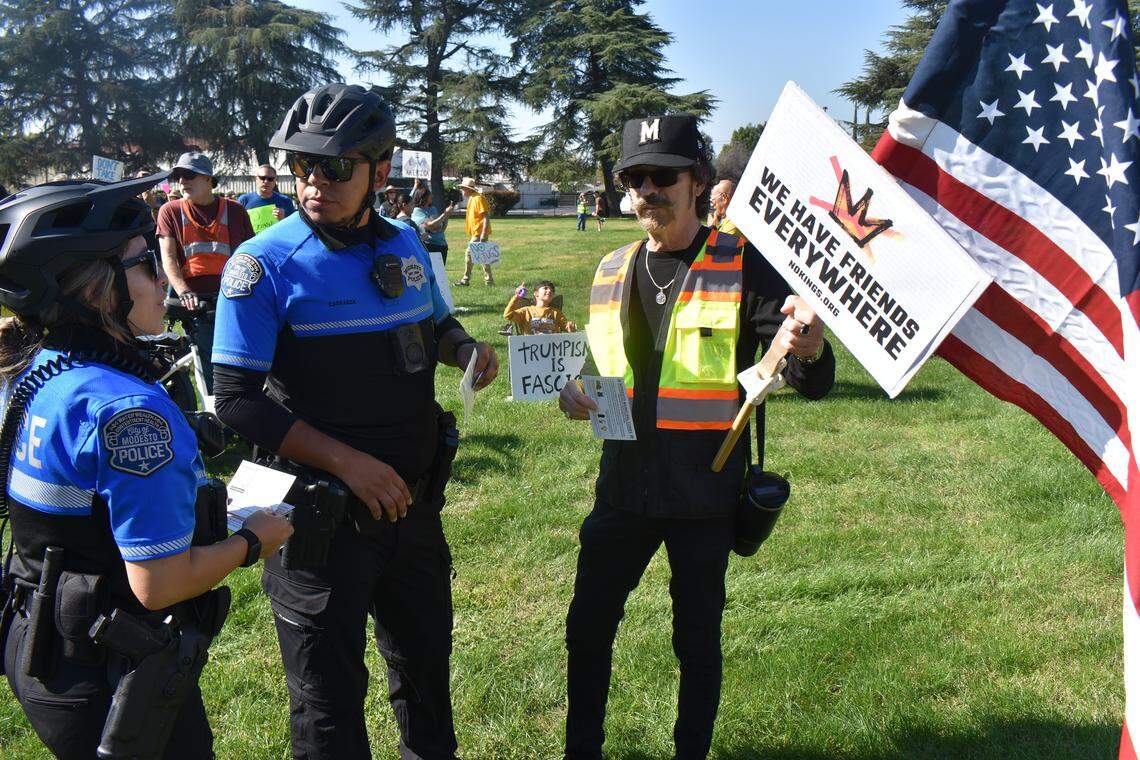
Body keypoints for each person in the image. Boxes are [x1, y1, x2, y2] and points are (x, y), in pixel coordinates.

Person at [211, 82, 500, 760]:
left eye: (334, 166)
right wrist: (350, 464)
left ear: (379, 165)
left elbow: (435, 323)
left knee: (426, 680)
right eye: (301, 166)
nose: (314, 182)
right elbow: (236, 400)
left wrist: (464, 348)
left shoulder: (401, 242)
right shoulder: (261, 266)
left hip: (412, 510)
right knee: (328, 705)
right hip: (320, 522)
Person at [558, 114, 835, 760]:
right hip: (621, 490)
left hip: (704, 496)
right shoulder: (609, 269)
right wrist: (578, 396)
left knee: (697, 642)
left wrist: (812, 346)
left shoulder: (743, 264)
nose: (648, 190)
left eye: (663, 177)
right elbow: (606, 377)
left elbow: (810, 376)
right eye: (636, 178)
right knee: (587, 630)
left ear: (697, 182)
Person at [0, 173, 292, 760]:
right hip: (114, 677)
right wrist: (254, 540)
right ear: (95, 289)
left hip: (40, 646)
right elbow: (159, 584)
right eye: (144, 266)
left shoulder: (33, 372)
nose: (163, 279)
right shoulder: (129, 410)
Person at [156, 151, 254, 394]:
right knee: (209, 360)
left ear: (209, 178)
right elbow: (168, 258)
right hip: (194, 301)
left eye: (188, 175)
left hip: (231, 296)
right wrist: (184, 291)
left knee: (244, 355)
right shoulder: (170, 211)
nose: (181, 182)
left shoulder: (235, 210)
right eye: (178, 176)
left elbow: (250, 255)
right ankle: (217, 414)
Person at [455, 177, 493, 286]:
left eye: (463, 188)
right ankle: (489, 281)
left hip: (479, 233)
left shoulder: (478, 198)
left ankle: (465, 279)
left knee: (469, 254)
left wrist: (484, 234)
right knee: (483, 257)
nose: (462, 190)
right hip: (476, 233)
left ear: (468, 189)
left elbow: (485, 217)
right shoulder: (472, 198)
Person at [237, 164, 296, 234]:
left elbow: (293, 229)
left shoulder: (285, 201)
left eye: (270, 179)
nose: (266, 181)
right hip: (251, 243)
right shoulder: (244, 200)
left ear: (275, 181)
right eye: (262, 178)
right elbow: (236, 226)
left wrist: (282, 220)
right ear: (256, 179)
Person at [502, 281, 576, 335]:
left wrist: (570, 327)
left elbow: (566, 326)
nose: (549, 291)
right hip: (530, 349)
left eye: (552, 290)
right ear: (536, 293)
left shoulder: (556, 313)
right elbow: (507, 315)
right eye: (545, 288)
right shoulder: (526, 311)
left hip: (552, 349)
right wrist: (516, 297)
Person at [410, 185, 454, 264]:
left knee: (440, 274)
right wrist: (445, 214)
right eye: (429, 194)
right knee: (433, 273)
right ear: (423, 197)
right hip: (430, 246)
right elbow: (430, 226)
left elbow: (441, 228)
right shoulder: (417, 211)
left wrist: (447, 216)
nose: (432, 196)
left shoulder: (433, 209)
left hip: (442, 245)